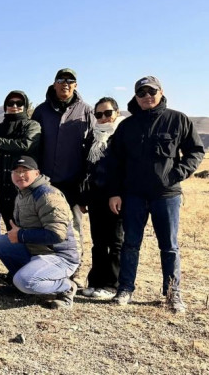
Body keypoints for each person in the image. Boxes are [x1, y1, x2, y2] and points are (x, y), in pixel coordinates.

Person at [107, 76, 204, 312]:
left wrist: (177, 173)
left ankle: (173, 294)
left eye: (152, 91)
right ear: (136, 97)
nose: (147, 96)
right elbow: (114, 162)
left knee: (169, 246)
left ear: (161, 92)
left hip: (166, 194)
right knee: (130, 244)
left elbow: (195, 151)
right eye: (142, 93)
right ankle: (125, 289)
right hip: (133, 195)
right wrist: (114, 193)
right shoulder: (126, 126)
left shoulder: (177, 119)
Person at [32, 68, 94, 286]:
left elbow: (93, 149)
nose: (66, 84)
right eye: (61, 80)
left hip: (74, 182)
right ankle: (45, 269)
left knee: (74, 229)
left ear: (76, 85)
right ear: (54, 83)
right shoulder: (41, 111)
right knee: (44, 227)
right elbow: (34, 146)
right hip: (46, 183)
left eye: (70, 81)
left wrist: (86, 184)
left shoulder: (86, 111)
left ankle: (75, 272)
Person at [0, 156, 80, 309]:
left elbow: (57, 234)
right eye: (16, 171)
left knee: (25, 281)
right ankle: (23, 286)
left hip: (59, 256)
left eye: (25, 171)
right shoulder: (23, 193)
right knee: (0, 243)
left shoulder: (47, 195)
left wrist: (21, 235)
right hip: (37, 251)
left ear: (37, 173)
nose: (20, 175)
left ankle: (66, 287)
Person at [78, 97, 124, 299]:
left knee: (115, 242)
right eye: (98, 114)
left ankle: (112, 285)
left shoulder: (122, 135)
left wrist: (117, 193)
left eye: (107, 113)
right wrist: (83, 196)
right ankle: (95, 282)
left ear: (117, 113)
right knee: (98, 242)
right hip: (96, 196)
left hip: (116, 196)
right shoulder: (93, 137)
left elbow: (125, 168)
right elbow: (88, 168)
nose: (103, 118)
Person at [0, 91, 41, 233]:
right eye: (10, 103)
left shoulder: (32, 125)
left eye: (19, 103)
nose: (14, 106)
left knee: (24, 229)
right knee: (10, 227)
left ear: (25, 106)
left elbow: (26, 144)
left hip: (22, 186)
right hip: (1, 185)